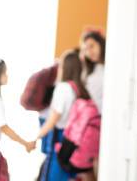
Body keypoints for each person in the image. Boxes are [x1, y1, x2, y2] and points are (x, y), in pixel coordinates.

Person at [34, 50, 89, 181]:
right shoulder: (79, 89)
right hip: (74, 140)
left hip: (60, 137)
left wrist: (37, 136)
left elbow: (54, 119)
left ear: (65, 67)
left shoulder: (63, 88)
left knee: (53, 176)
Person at [80, 30, 105, 114]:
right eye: (86, 49)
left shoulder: (110, 67)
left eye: (91, 46)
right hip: (93, 118)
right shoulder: (88, 71)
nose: (89, 52)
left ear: (100, 43)